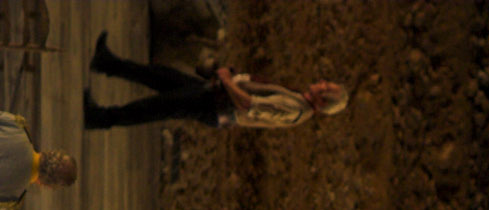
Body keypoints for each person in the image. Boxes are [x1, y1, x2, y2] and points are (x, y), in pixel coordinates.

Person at [84, 35, 348, 131]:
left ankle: (100, 118)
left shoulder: (295, 109)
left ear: (322, 101)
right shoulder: (298, 101)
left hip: (214, 105)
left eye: (326, 88)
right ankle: (107, 64)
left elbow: (248, 105)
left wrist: (228, 81)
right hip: (215, 96)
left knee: (157, 107)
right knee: (161, 76)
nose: (322, 82)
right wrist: (235, 79)